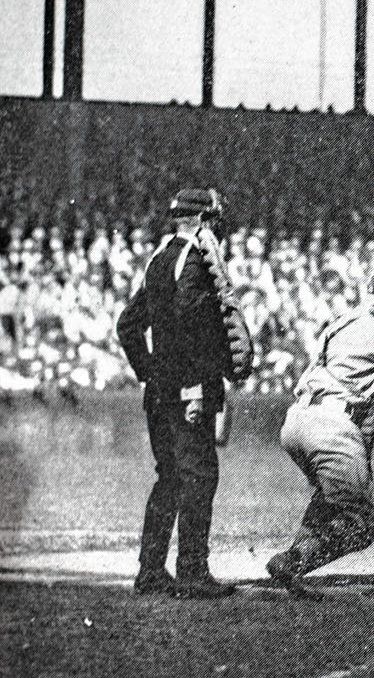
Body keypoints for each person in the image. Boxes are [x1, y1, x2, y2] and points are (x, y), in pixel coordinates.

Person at [266, 260, 374, 599]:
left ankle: (291, 562)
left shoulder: (345, 321)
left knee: (329, 497)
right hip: (332, 425)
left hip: (297, 421)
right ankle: (292, 561)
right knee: (359, 524)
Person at [115, 188, 237, 599]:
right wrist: (197, 385)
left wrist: (151, 372)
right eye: (214, 219)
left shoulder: (157, 260)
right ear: (202, 221)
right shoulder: (197, 261)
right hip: (189, 388)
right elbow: (192, 323)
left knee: (169, 476)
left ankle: (150, 570)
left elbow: (127, 325)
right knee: (200, 475)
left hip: (159, 390)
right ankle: (191, 570)